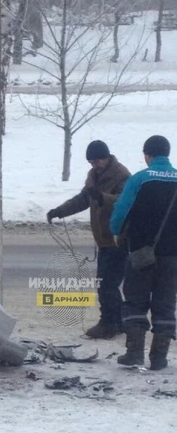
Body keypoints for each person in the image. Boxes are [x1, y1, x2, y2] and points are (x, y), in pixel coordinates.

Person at [46, 140, 131, 339]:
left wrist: (102, 198)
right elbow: (84, 199)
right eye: (92, 162)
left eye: (98, 160)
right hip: (103, 239)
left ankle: (109, 323)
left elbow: (124, 201)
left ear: (107, 157)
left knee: (106, 284)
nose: (95, 164)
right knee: (108, 283)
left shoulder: (122, 175)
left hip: (117, 238)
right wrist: (60, 211)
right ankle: (119, 322)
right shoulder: (93, 176)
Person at [110, 135, 177, 370]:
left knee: (136, 300)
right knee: (166, 303)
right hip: (172, 256)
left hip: (140, 253)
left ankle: (135, 353)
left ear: (148, 155)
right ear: (167, 154)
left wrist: (116, 231)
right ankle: (159, 358)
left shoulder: (140, 179)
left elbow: (121, 211)